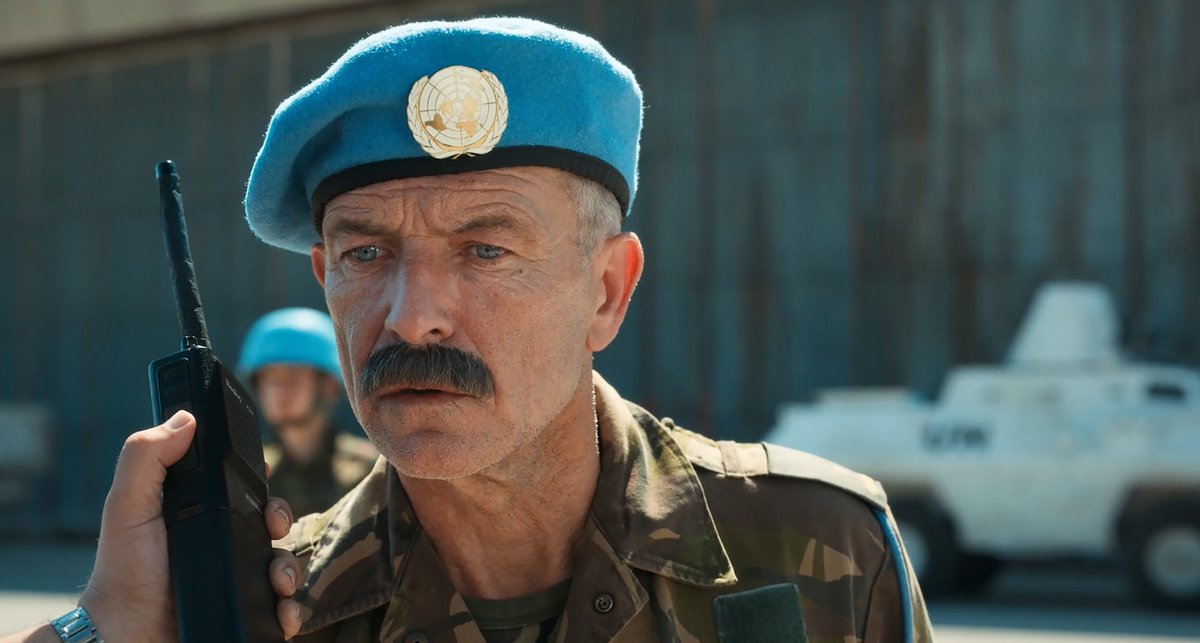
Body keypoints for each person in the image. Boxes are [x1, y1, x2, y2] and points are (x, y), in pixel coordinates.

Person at [6, 16, 933, 643]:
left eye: (486, 249)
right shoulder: (278, 616)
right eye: (366, 254)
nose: (412, 315)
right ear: (327, 283)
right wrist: (105, 632)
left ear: (607, 292)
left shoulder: (822, 553)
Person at [239, 307, 378, 517]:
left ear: (329, 386)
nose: (278, 391)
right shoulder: (251, 473)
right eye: (269, 379)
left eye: (292, 377)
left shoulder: (371, 470)